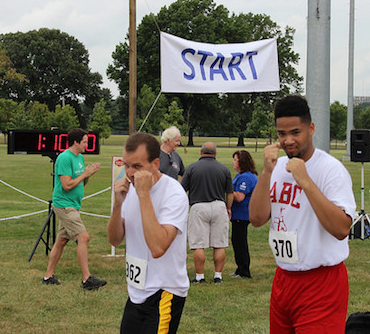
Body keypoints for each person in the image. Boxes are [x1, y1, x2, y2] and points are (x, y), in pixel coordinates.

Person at [249, 95, 356, 333]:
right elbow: (256, 219)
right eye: (281, 133)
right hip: (284, 278)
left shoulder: (330, 170)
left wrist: (306, 181)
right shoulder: (276, 167)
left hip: (321, 281)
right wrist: (266, 172)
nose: (288, 140)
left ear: (311, 128)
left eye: (295, 132)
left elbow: (341, 229)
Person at [108, 132, 189, 333]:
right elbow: (115, 239)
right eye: (126, 165)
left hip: (164, 291)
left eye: (137, 166)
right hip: (137, 291)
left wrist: (144, 194)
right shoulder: (131, 191)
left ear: (155, 164)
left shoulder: (174, 193)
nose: (129, 173)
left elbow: (158, 247)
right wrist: (117, 206)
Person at [42, 128, 107, 290]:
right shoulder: (64, 158)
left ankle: (48, 276)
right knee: (83, 237)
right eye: (85, 141)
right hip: (64, 204)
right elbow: (67, 185)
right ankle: (87, 279)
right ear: (76, 142)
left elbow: (80, 182)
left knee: (62, 241)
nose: (87, 144)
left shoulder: (80, 158)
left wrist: (88, 174)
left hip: (74, 204)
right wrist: (85, 174)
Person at [181, 142, 233, 284]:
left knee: (198, 244)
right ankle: (218, 275)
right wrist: (228, 208)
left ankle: (200, 276)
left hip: (199, 206)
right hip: (219, 206)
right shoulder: (224, 169)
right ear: (215, 153)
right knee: (219, 244)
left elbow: (181, 189)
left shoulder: (192, 168)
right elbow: (230, 192)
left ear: (200, 152)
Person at [230, 150, 258, 279]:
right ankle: (240, 268)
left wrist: (227, 190)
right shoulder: (244, 175)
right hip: (241, 215)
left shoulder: (245, 177)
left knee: (240, 242)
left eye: (235, 160)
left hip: (242, 215)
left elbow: (240, 196)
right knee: (237, 241)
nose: (233, 163)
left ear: (241, 162)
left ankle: (244, 270)